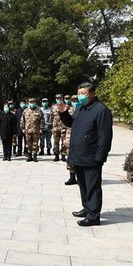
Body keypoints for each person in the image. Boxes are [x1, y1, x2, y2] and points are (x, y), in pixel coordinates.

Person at [60, 82, 113, 226]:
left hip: (91, 156)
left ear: (92, 94)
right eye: (79, 93)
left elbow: (105, 136)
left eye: (84, 93)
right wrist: (64, 113)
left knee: (93, 187)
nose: (80, 96)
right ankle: (87, 207)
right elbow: (71, 124)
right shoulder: (80, 108)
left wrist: (100, 156)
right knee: (83, 184)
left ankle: (94, 216)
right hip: (78, 155)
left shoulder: (101, 110)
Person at [20, 97, 45, 162]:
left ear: (35, 103)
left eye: (33, 102)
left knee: (35, 144)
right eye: (31, 102)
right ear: (28, 103)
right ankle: (29, 156)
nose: (32, 103)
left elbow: (42, 121)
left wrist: (41, 129)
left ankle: (35, 156)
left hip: (36, 130)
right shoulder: (25, 111)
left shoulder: (39, 111)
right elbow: (22, 120)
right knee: (28, 144)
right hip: (27, 131)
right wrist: (22, 128)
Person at [64, 95, 79, 186]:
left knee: (80, 158)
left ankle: (80, 178)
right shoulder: (68, 110)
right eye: (73, 101)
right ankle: (72, 177)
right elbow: (64, 124)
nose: (75, 102)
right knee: (70, 157)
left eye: (76, 100)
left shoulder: (83, 110)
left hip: (80, 138)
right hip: (69, 137)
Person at [50, 93, 66, 162]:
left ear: (62, 98)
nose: (59, 99)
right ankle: (56, 155)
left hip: (63, 128)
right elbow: (51, 117)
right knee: (56, 142)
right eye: (57, 98)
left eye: (60, 98)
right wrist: (51, 127)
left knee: (64, 143)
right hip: (55, 128)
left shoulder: (65, 106)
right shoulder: (53, 107)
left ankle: (63, 156)